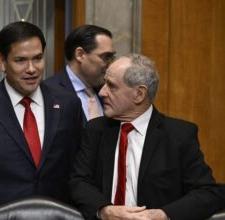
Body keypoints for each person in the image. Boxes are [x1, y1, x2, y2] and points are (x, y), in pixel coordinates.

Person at [0, 21, 83, 220]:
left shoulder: (67, 105)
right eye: (20, 60)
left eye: (37, 58)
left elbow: (78, 171)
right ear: (2, 61)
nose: (31, 69)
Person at [69, 54, 225, 220]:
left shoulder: (179, 135)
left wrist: (162, 215)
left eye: (111, 86)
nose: (102, 92)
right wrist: (104, 210)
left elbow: (208, 192)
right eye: (104, 82)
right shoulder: (96, 130)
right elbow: (79, 181)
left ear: (139, 94)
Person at [44, 25, 115, 122]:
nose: (111, 64)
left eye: (112, 57)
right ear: (80, 55)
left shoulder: (109, 90)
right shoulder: (48, 91)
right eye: (106, 57)